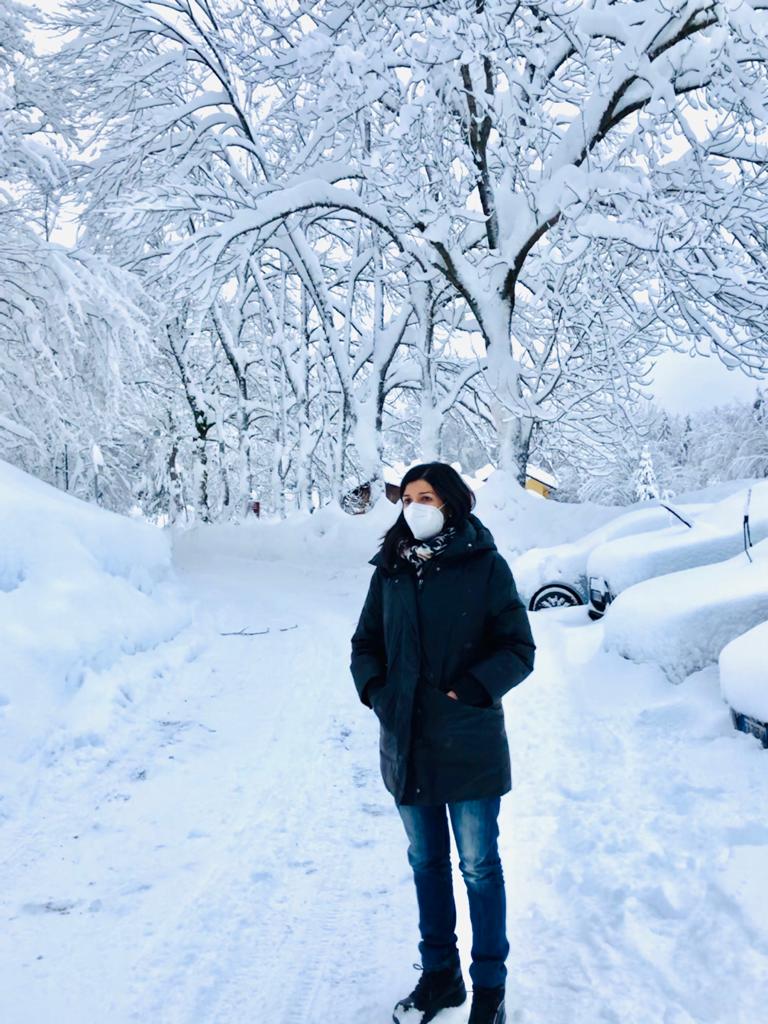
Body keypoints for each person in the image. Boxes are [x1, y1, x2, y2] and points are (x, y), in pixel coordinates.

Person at [350, 462, 536, 1024]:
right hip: (405, 741)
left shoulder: (484, 566)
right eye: (407, 497)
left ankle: (489, 990)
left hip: (468, 741)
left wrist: (470, 690)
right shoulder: (390, 569)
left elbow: (517, 648)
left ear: (450, 503)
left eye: (425, 496)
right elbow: (365, 645)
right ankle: (440, 977)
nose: (414, 507)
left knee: (478, 866)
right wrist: (380, 694)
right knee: (426, 862)